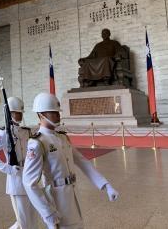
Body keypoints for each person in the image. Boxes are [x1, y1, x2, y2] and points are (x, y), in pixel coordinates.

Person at [23, 92, 119, 229]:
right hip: (56, 202)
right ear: (41, 114)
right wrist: (47, 212)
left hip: (73, 197)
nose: (58, 115)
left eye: (58, 112)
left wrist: (106, 185)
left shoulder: (62, 137)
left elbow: (83, 162)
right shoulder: (37, 143)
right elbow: (28, 183)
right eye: (53, 112)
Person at [0, 97, 37, 229]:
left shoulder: (26, 132)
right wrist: (8, 169)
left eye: (21, 113)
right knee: (23, 223)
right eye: (16, 113)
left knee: (32, 221)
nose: (19, 115)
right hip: (16, 181)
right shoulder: (3, 134)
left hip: (30, 178)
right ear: (9, 114)